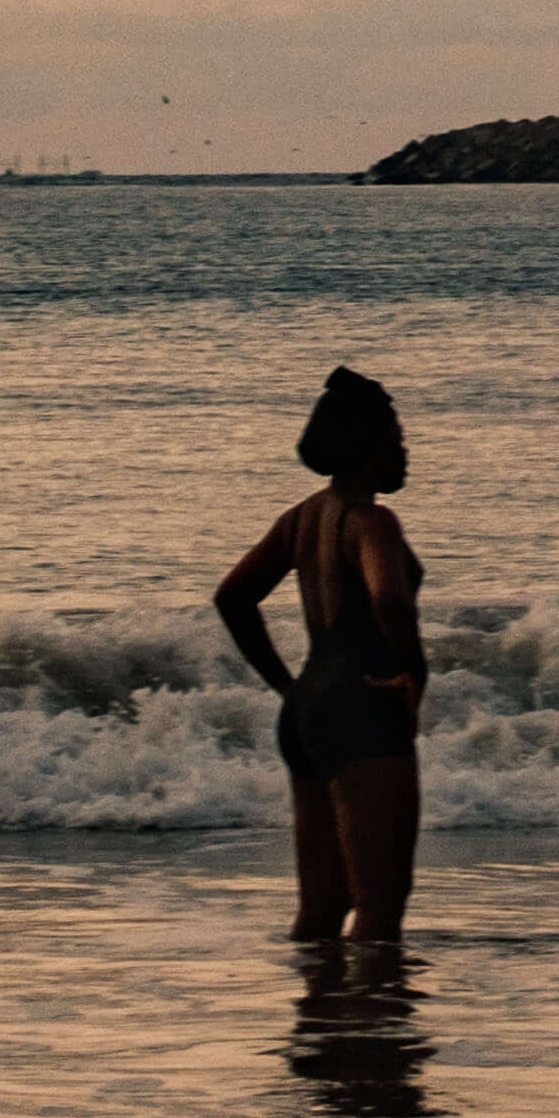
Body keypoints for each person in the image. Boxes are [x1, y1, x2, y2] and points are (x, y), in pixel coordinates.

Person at [212, 362, 427, 949]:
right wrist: (413, 673)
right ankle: (380, 1038)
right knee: (380, 917)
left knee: (319, 915)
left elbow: (233, 597)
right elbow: (388, 597)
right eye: (396, 439)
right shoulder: (373, 521)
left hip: (308, 709)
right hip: (364, 707)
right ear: (367, 447)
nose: (406, 452)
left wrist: (287, 687)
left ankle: (319, 1031)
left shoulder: (301, 518)